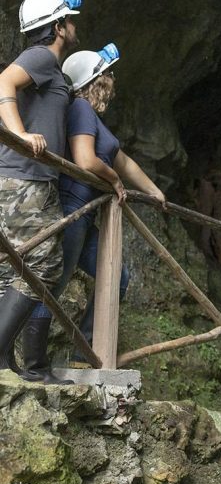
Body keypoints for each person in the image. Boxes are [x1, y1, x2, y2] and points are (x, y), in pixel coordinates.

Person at [21, 43, 166, 376]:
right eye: (106, 77)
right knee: (52, 284)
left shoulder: (95, 121)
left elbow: (122, 159)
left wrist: (156, 193)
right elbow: (88, 160)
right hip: (73, 208)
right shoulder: (81, 109)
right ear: (93, 81)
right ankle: (33, 365)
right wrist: (115, 182)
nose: (111, 84)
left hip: (85, 215)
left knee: (117, 276)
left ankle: (83, 352)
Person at [0, 0, 82, 384]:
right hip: (25, 179)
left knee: (15, 266)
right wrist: (20, 134)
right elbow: (5, 81)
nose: (74, 25)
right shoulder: (42, 57)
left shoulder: (50, 67)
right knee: (45, 263)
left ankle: (13, 363)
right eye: (70, 19)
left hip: (30, 180)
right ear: (57, 27)